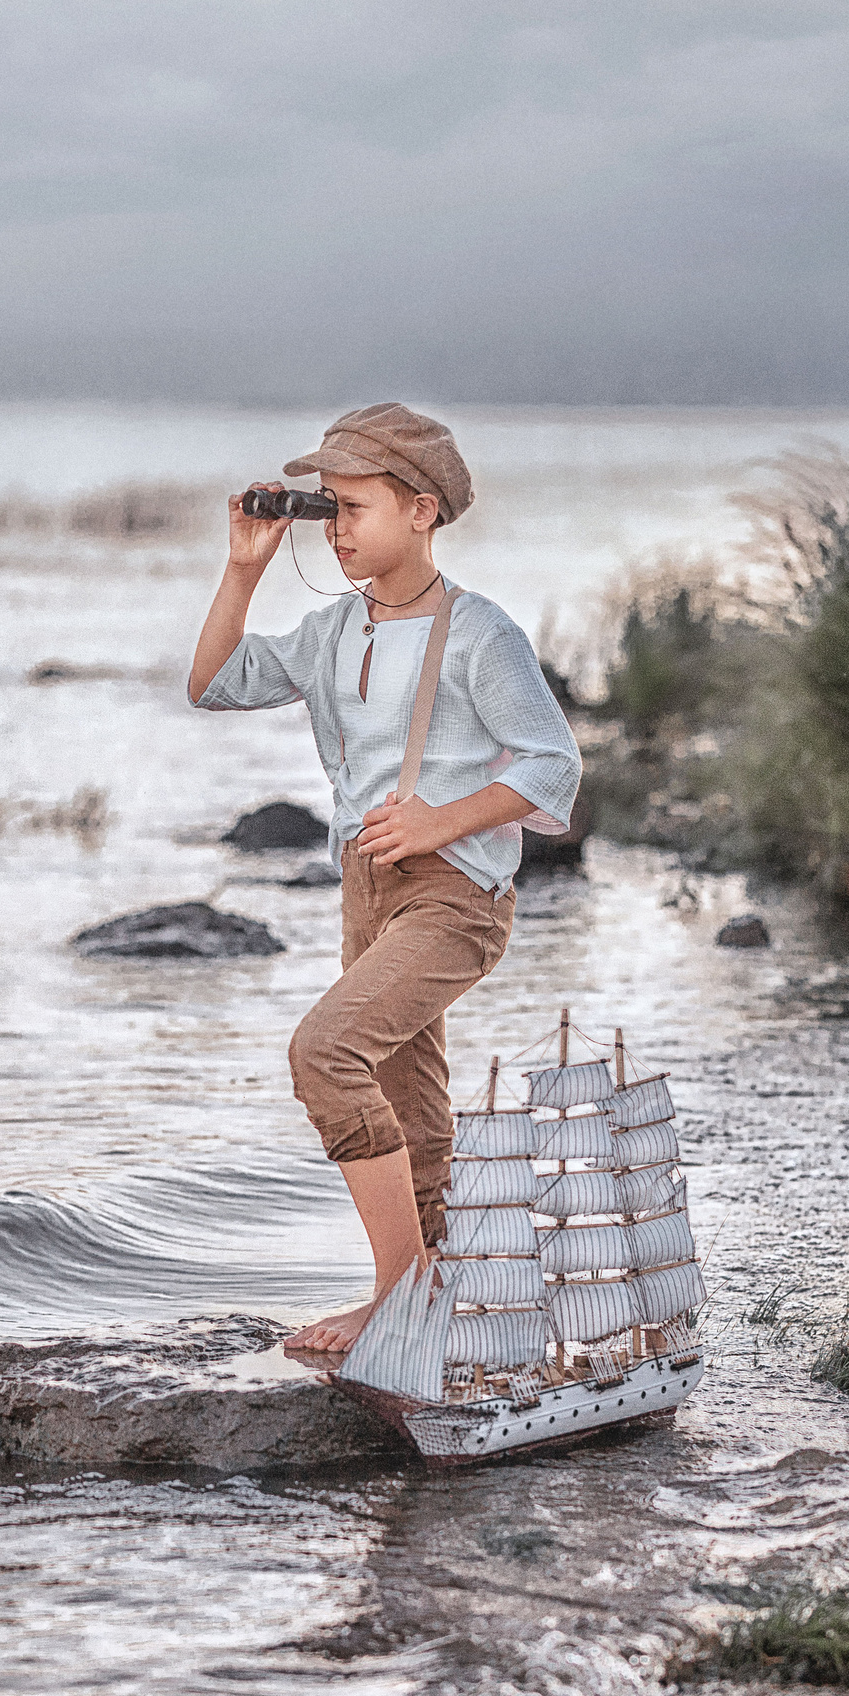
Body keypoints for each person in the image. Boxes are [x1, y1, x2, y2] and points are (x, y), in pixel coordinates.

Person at [187, 403, 582, 1353]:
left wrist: (442, 818)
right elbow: (213, 682)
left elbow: (554, 765)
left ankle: (398, 1295)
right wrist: (243, 569)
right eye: (328, 508)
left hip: (455, 896)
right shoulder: (332, 631)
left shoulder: (481, 634)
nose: (337, 528)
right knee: (407, 1089)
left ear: (421, 510)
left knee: (326, 1054)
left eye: (354, 507)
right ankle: (441, 1295)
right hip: (366, 889)